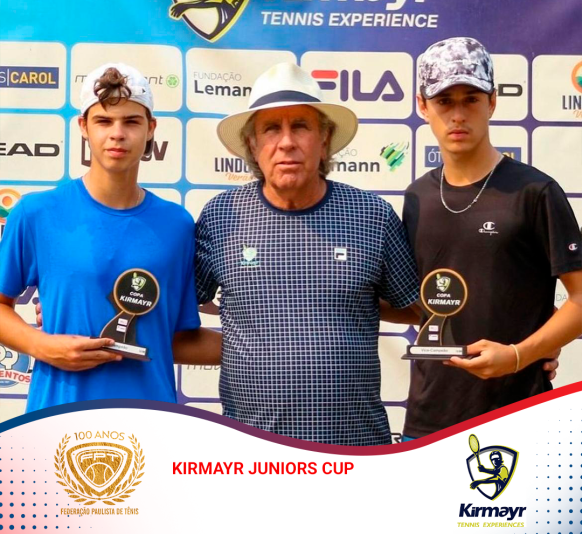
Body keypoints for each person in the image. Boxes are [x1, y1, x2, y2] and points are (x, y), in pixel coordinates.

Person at [195, 62, 420, 446]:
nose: (286, 142)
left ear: (325, 139)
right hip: (253, 457)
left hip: (357, 451)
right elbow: (175, 313)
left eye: (300, 126)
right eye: (271, 129)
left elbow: (423, 310)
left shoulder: (372, 216)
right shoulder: (221, 217)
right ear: (252, 144)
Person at [0, 63, 218, 412]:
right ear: (83, 127)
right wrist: (43, 347)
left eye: (131, 121)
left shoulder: (177, 224)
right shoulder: (36, 213)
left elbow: (174, 337)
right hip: (57, 417)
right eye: (104, 121)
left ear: (151, 128)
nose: (117, 134)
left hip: (152, 419)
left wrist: (271, 350)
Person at [402, 37, 582, 439]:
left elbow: (580, 299)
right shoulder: (417, 197)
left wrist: (520, 355)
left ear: (493, 103)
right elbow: (421, 304)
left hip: (517, 420)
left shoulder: (535, 192)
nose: (458, 115)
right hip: (427, 422)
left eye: (471, 99)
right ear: (423, 106)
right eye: (444, 101)